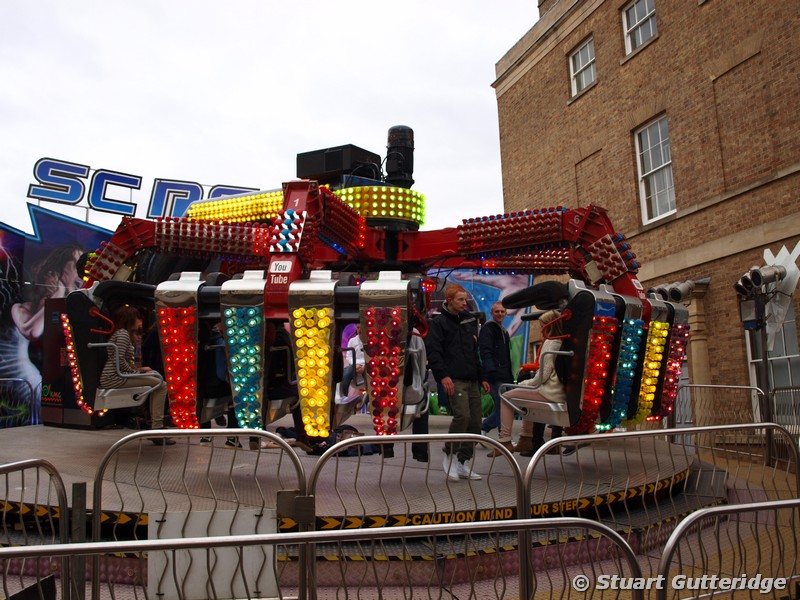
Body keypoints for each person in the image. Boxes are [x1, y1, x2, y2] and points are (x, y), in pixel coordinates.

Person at [425, 283, 489, 481]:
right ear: (449, 300)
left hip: (472, 378)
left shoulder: (469, 321)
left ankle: (463, 461)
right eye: (460, 299)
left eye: (465, 299)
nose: (464, 303)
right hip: (454, 378)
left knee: (476, 422)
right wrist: (443, 376)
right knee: (462, 417)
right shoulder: (439, 323)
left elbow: (474, 352)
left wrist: (483, 377)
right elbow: (434, 352)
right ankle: (449, 454)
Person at [493, 309, 566, 457]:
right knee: (523, 399)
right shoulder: (562, 342)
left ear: (548, 326)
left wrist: (524, 384)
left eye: (542, 325)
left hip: (548, 392)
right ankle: (525, 438)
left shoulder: (550, 343)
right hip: (558, 391)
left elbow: (543, 376)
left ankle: (504, 441)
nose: (540, 329)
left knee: (507, 397)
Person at [100, 305, 172, 446]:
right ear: (130, 319)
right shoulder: (123, 335)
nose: (139, 321)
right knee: (161, 384)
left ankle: (155, 425)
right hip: (115, 377)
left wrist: (140, 369)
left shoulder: (120, 333)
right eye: (137, 318)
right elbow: (119, 361)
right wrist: (137, 372)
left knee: (157, 380)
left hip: (115, 375)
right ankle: (157, 427)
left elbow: (121, 361)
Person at [478, 302, 515, 433]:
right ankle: (503, 438)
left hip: (505, 375)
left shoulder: (503, 331)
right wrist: (488, 374)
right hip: (495, 375)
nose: (500, 314)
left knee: (507, 406)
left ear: (506, 313)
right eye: (497, 311)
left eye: (502, 311)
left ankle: (486, 426)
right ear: (491, 313)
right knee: (503, 408)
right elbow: (486, 352)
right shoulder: (488, 329)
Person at [339, 323, 365, 398]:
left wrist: (364, 367)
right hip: (354, 365)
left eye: (361, 328)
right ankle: (344, 395)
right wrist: (355, 365)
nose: (360, 330)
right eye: (358, 328)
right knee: (346, 374)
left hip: (366, 365)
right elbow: (349, 356)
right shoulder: (352, 341)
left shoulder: (370, 341)